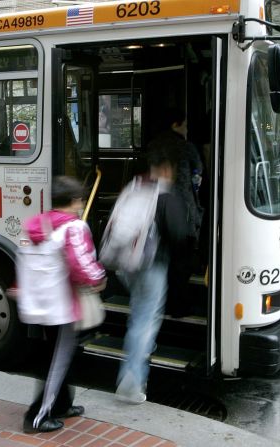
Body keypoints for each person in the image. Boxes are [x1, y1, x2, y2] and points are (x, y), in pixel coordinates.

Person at [20, 176, 106, 434]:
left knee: (56, 356)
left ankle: (63, 404)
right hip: (63, 305)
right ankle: (37, 416)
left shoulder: (39, 224)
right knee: (58, 361)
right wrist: (98, 278)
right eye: (79, 200)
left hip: (40, 303)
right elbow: (81, 264)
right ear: (75, 201)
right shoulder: (74, 227)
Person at [115, 145, 187, 404]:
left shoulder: (134, 188)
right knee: (145, 321)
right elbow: (179, 234)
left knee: (138, 316)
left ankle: (139, 352)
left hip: (127, 265)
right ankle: (132, 378)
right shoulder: (165, 195)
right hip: (152, 266)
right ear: (168, 169)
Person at [148, 109, 203, 241]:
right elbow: (198, 169)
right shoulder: (186, 146)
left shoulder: (152, 145)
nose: (187, 130)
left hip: (155, 201)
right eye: (185, 125)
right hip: (183, 202)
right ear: (175, 125)